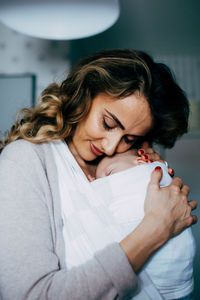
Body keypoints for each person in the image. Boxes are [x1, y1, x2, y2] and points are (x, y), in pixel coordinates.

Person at [0, 49, 198, 300]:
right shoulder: (24, 161)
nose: (110, 146)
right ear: (84, 94)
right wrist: (155, 228)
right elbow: (31, 295)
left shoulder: (129, 165)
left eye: (129, 138)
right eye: (108, 123)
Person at [94, 149, 196, 299]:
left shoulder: (149, 172)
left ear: (141, 162)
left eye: (109, 173)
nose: (100, 182)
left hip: (177, 280)